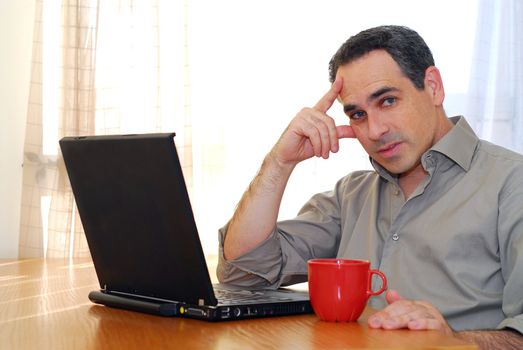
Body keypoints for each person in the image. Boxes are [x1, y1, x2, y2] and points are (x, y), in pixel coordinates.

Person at [217, 25, 523, 349]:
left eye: (388, 101)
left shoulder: (511, 183)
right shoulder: (350, 195)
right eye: (358, 114)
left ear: (433, 87)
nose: (374, 130)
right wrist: (279, 163)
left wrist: (455, 341)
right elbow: (242, 272)